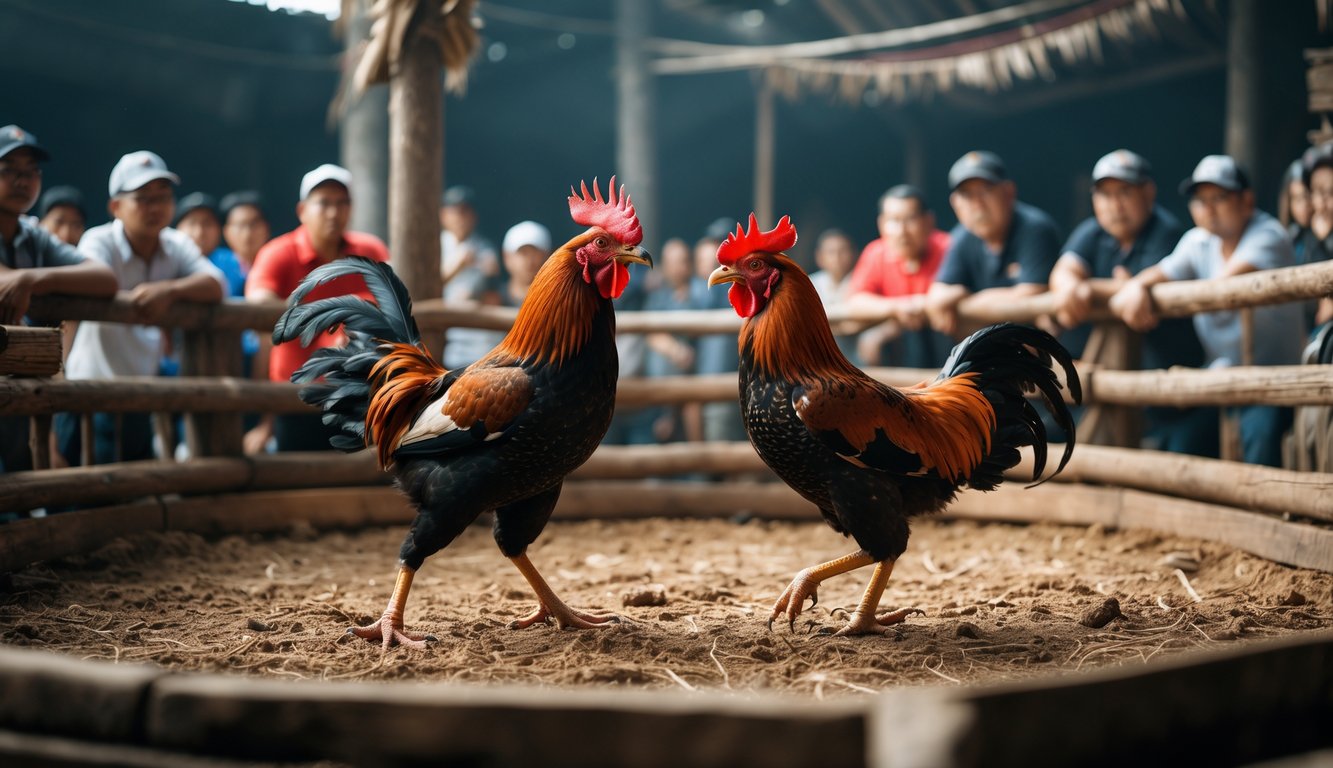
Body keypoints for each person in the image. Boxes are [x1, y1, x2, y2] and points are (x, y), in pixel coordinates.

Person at [1109, 155, 1305, 467]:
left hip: (1272, 380)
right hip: (1219, 376)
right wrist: (1136, 286)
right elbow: (1158, 273)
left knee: (1258, 443)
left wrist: (1139, 286)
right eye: (1200, 200)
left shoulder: (1268, 234)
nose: (1208, 208)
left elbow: (1225, 285)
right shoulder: (1197, 241)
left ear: (1247, 200)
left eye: (1219, 198)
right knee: (1183, 446)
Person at [56, 150, 226, 466]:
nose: (156, 207)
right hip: (89, 393)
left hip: (140, 397)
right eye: (143, 198)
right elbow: (94, 279)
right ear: (116, 206)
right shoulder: (99, 240)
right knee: (84, 496)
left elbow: (216, 283)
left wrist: (169, 290)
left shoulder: (175, 244)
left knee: (130, 495)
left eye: (163, 197)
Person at [1049, 149, 1213, 456]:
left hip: (1174, 393)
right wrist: (1072, 285)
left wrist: (1093, 288)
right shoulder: (1092, 232)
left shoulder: (1166, 232)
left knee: (1176, 480)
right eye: (1105, 194)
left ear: (1148, 193)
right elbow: (1064, 271)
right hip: (1114, 390)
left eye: (1124, 192)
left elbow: (1135, 296)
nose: (1115, 205)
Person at [245, 163, 389, 454]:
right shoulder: (279, 253)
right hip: (295, 398)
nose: (334, 212)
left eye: (342, 203)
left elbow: (393, 303)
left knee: (354, 489)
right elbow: (258, 304)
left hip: (358, 400)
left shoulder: (370, 251)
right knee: (297, 487)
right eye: (324, 203)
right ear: (302, 211)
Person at [0, 125, 118, 474]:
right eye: (9, 171)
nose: (23, 181)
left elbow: (106, 279)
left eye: (31, 172)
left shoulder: (34, 237)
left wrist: (35, 277)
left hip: (17, 382)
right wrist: (20, 279)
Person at [926, 151, 1062, 338]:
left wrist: (967, 299)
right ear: (955, 204)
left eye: (986, 191)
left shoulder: (1035, 228)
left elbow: (1031, 294)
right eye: (967, 195)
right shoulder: (962, 235)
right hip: (992, 351)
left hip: (1045, 353)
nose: (977, 204)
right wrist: (959, 291)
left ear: (1009, 192)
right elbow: (938, 295)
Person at [846, 185, 953, 369]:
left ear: (928, 221)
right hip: (899, 347)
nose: (902, 231)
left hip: (947, 342)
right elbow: (856, 300)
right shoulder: (876, 253)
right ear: (881, 224)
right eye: (894, 220)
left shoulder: (949, 247)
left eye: (910, 219)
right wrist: (897, 308)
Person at [689, 217, 748, 444]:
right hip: (707, 385)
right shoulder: (700, 290)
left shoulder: (739, 285)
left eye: (721, 244)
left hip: (733, 383)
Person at [640, 237, 698, 444]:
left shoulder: (700, 294)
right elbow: (649, 332)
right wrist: (674, 349)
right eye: (672, 262)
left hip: (693, 380)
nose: (678, 268)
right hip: (660, 385)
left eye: (682, 261)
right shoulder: (658, 297)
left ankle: (698, 473)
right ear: (664, 266)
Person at [440, 185, 503, 370]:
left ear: (473, 216)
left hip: (473, 332)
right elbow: (418, 290)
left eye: (465, 211)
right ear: (443, 215)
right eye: (455, 211)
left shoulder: (484, 248)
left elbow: (493, 297)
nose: (460, 217)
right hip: (438, 327)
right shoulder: (434, 245)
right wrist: (456, 266)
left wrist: (489, 279)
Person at [807, 229, 861, 364]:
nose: (837, 257)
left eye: (843, 251)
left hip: (856, 355)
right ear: (820, 257)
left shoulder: (863, 281)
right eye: (831, 252)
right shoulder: (810, 283)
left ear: (854, 254)